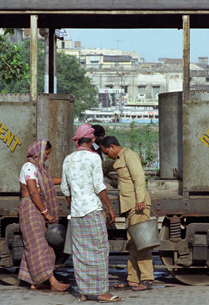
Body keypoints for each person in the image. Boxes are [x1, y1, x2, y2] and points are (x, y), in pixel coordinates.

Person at [61, 124, 123, 303]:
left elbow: (65, 189)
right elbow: (99, 186)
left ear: (78, 140)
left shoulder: (68, 159)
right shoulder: (94, 158)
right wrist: (109, 208)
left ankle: (83, 292)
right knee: (100, 251)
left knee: (80, 253)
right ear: (93, 139)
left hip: (77, 213)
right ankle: (102, 292)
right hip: (92, 210)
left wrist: (74, 205)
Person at [100, 136, 154, 291]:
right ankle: (132, 279)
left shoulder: (129, 155)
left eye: (106, 152)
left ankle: (147, 279)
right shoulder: (119, 158)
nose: (107, 155)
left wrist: (140, 200)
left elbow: (139, 178)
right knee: (132, 244)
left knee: (141, 244)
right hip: (130, 206)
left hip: (138, 206)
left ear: (112, 146)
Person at [18, 139, 70, 292]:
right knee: (39, 247)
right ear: (39, 153)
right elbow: (33, 192)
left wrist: (67, 180)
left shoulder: (40, 169)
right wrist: (46, 214)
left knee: (39, 246)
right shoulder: (28, 167)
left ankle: (36, 282)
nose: (47, 157)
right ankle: (53, 282)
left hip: (37, 209)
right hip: (30, 209)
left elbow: (49, 181)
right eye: (46, 154)